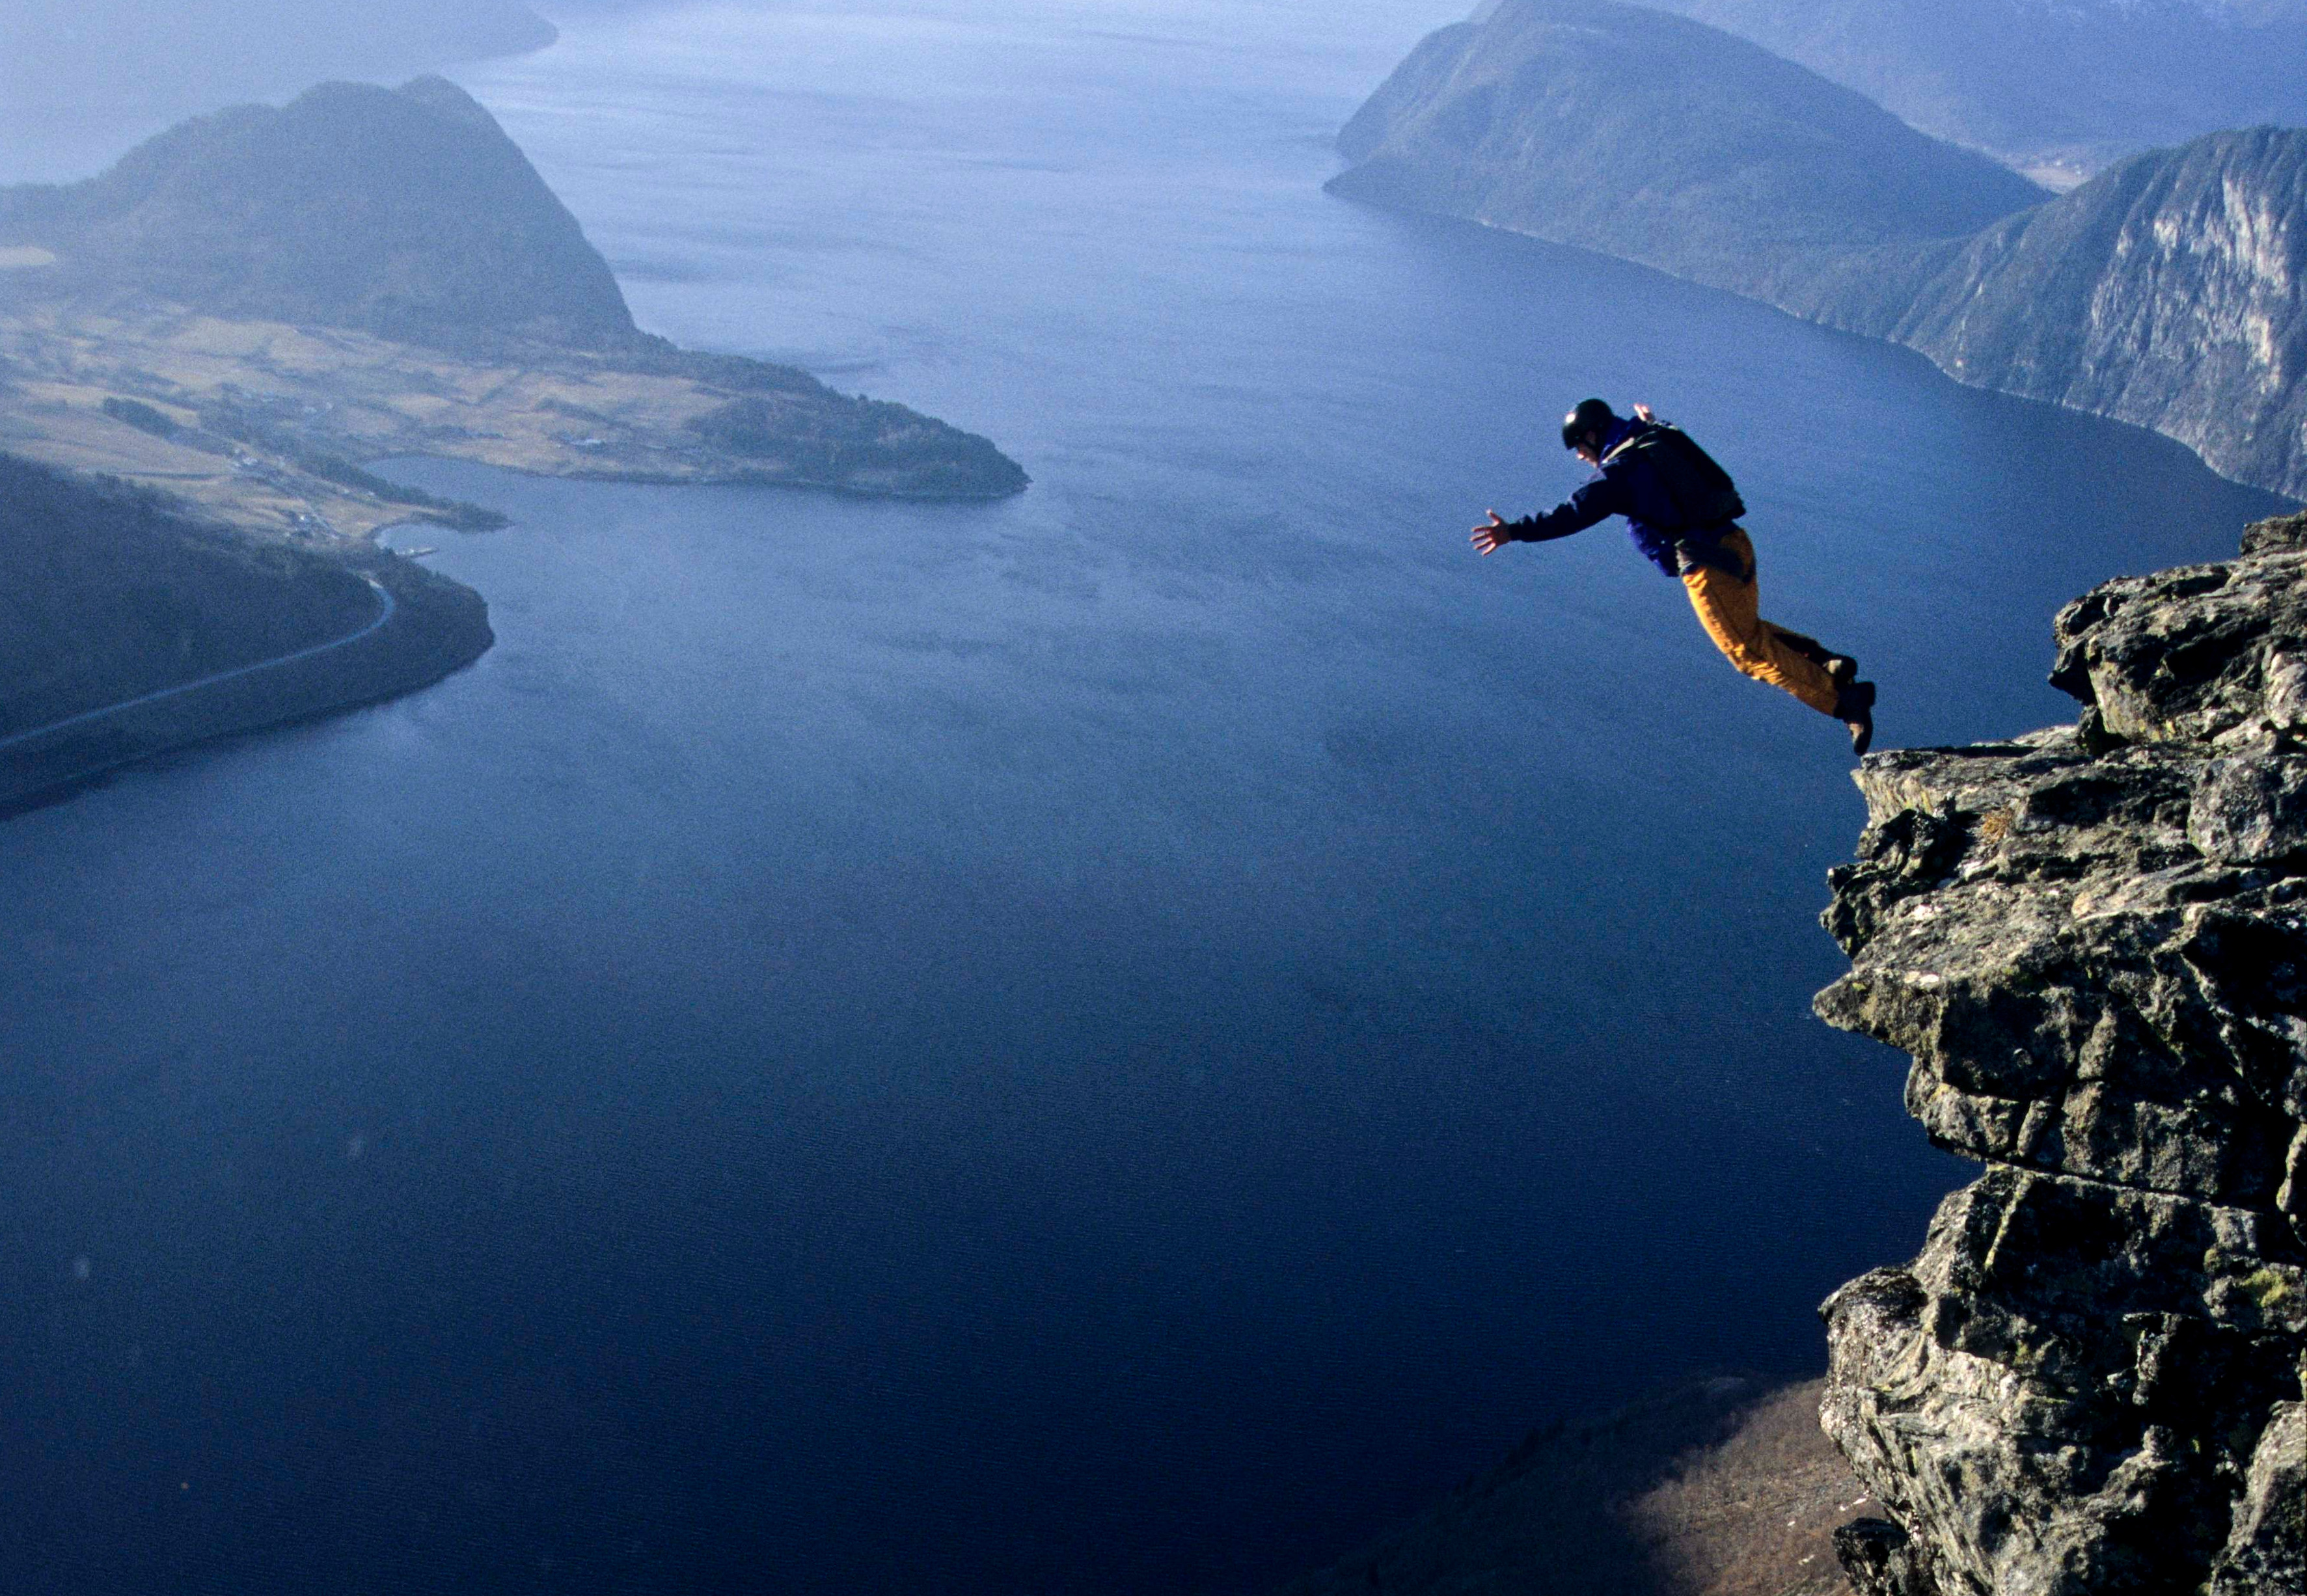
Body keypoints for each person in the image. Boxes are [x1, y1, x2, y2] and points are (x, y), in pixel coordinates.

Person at [1472, 398, 1877, 754]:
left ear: (1594, 435)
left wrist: (1515, 531)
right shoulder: (1651, 436)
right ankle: (1828, 663)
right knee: (1750, 630)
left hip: (1707, 566)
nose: (1579, 455)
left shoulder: (1620, 473)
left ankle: (1843, 701)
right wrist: (1650, 422)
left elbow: (1574, 512)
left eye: (1579, 446)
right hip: (1735, 544)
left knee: (1744, 652)